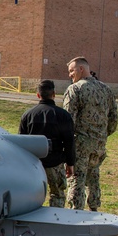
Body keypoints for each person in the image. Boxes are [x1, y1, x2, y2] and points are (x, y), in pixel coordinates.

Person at [63, 57, 118, 211]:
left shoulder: (75, 89)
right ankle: (94, 210)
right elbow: (113, 120)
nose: (70, 75)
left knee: (76, 180)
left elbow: (68, 121)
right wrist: (101, 135)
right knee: (93, 178)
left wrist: (68, 144)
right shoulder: (106, 89)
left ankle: (76, 213)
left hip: (80, 144)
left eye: (71, 71)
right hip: (99, 145)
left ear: (81, 69)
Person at [18, 80, 75, 208]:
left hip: (34, 163)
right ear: (54, 94)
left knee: (32, 193)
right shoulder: (63, 115)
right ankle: (56, 219)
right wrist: (70, 163)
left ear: (38, 95)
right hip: (55, 162)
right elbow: (69, 141)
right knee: (58, 194)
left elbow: (21, 141)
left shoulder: (28, 115)